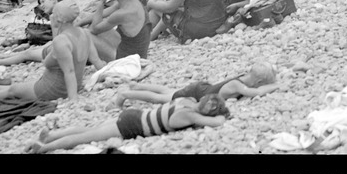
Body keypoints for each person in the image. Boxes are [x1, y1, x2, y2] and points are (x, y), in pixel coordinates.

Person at [0, 2, 99, 103]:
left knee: (13, 90)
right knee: (19, 86)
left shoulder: (61, 41)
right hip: (72, 84)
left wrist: (73, 99)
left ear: (59, 18)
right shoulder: (85, 33)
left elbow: (60, 68)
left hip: (56, 88)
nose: (51, 16)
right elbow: (95, 59)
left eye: (53, 13)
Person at [25, 93, 230, 153]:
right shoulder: (191, 110)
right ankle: (45, 147)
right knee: (87, 135)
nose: (209, 101)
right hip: (132, 125)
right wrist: (219, 115)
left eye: (213, 104)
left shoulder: (188, 105)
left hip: (134, 117)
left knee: (90, 131)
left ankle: (50, 138)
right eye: (212, 99)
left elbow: (214, 121)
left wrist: (217, 115)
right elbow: (218, 122)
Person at [113, 63, 277, 107]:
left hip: (202, 88)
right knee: (161, 98)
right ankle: (126, 94)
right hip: (198, 94)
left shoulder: (244, 77)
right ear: (259, 82)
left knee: (170, 91)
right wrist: (275, 87)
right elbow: (254, 93)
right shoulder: (238, 85)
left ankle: (137, 86)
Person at [87, 0, 152, 60]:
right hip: (134, 50)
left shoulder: (122, 14)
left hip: (128, 59)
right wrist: (80, 21)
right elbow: (102, 14)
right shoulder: (132, 2)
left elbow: (94, 29)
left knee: (85, 34)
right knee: (86, 22)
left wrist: (102, 2)